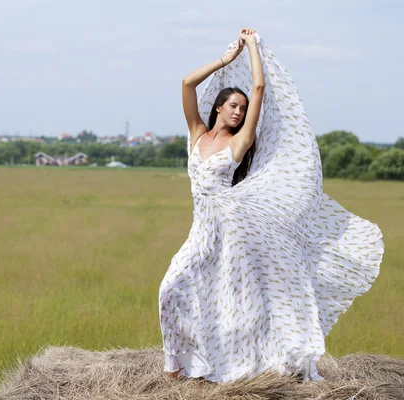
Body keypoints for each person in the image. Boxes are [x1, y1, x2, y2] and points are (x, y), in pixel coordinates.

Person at [159, 28, 385, 383]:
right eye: (233, 106)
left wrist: (253, 49)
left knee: (233, 305)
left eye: (243, 109)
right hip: (200, 231)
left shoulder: (239, 143)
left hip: (232, 232)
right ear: (218, 106)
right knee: (171, 287)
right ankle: (177, 368)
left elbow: (260, 88)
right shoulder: (197, 134)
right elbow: (187, 83)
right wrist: (225, 59)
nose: (238, 112)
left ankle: (228, 367)